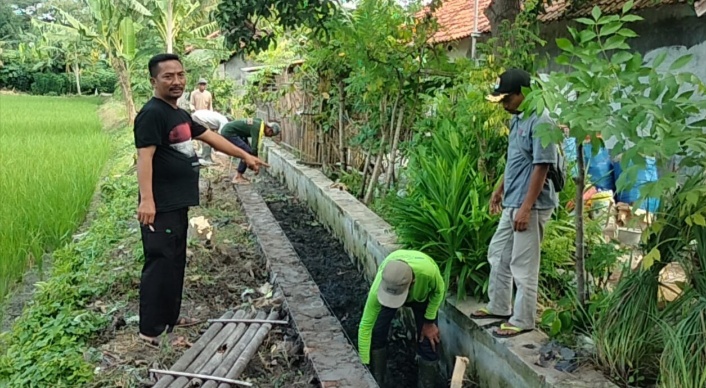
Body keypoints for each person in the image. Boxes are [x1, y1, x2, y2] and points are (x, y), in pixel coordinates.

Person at [133, 53, 269, 346]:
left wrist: (244, 154)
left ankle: (169, 317)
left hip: (177, 202)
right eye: (168, 76)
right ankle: (150, 330)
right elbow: (144, 158)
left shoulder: (179, 114)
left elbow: (210, 136)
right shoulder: (152, 113)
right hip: (160, 204)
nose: (176, 81)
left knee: (175, 261)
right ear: (153, 81)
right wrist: (147, 200)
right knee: (159, 263)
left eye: (180, 75)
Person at [471, 69, 558, 338]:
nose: (504, 104)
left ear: (523, 94)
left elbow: (542, 166)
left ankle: (522, 319)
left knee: (523, 264)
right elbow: (516, 161)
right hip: (513, 201)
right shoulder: (518, 120)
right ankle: (499, 306)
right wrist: (500, 189)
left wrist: (526, 207)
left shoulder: (542, 121)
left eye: (507, 99)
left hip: (530, 206)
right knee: (498, 253)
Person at [358, 249, 445, 388]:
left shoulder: (427, 273)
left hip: (421, 297)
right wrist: (363, 365)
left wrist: (429, 321)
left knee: (428, 340)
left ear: (413, 282)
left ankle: (426, 384)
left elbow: (439, 291)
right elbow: (366, 325)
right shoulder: (381, 286)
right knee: (377, 332)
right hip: (391, 290)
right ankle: (377, 381)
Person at [219, 118, 281, 184]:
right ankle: (238, 177)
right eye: (271, 134)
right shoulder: (257, 128)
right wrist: (255, 162)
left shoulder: (259, 123)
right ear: (269, 129)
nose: (270, 136)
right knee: (247, 153)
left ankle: (240, 174)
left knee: (247, 151)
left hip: (234, 132)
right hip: (229, 132)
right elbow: (254, 148)